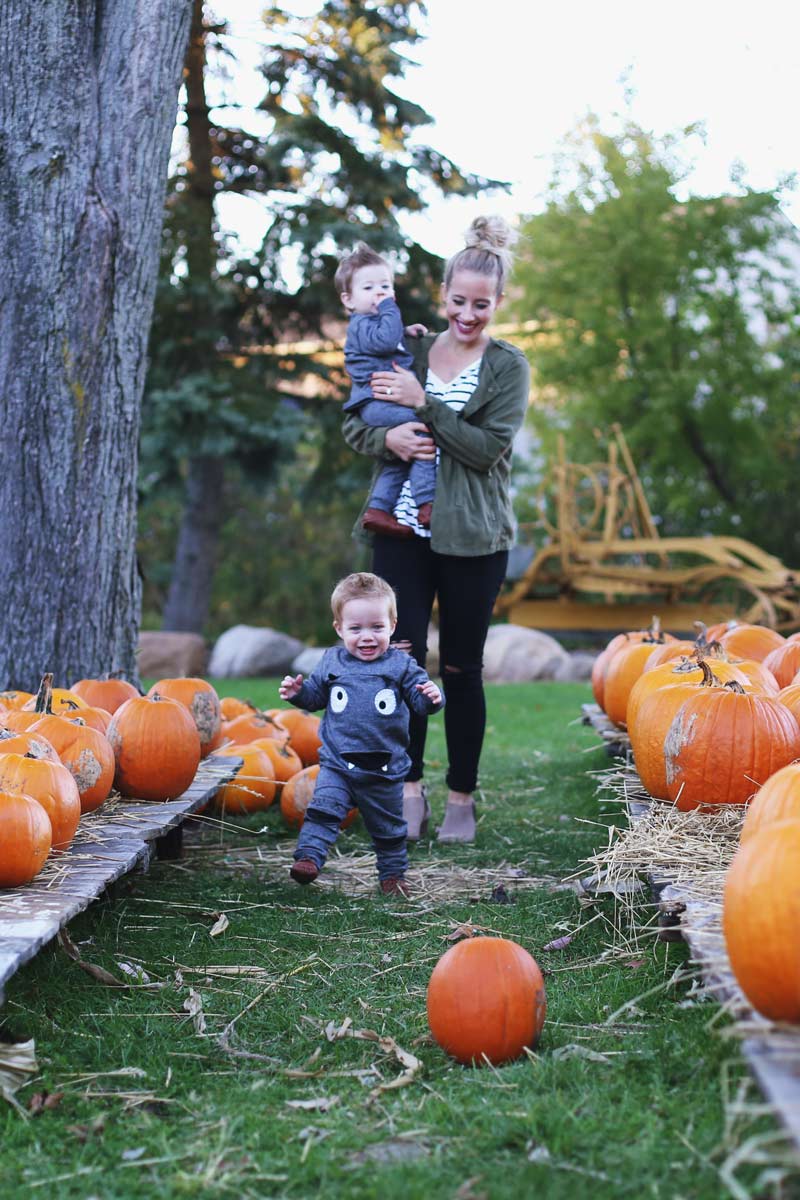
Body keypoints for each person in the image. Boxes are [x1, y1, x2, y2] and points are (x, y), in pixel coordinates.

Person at [341, 215, 530, 845]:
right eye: (457, 301)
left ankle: (461, 797)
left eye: (482, 304)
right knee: (401, 663)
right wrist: (384, 435)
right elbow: (357, 420)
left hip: (474, 538)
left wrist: (425, 405)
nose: (468, 315)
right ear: (443, 292)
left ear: (498, 302)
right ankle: (409, 790)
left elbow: (486, 449)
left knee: (460, 669)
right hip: (400, 533)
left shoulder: (508, 368)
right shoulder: (411, 347)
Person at [278, 571, 443, 898]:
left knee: (389, 830)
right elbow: (315, 697)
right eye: (356, 629)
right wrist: (298, 693)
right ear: (339, 628)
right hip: (338, 765)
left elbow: (419, 701)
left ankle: (392, 876)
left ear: (392, 626)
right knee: (323, 809)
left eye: (377, 627)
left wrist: (431, 697)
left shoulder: (402, 665)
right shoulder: (331, 661)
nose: (367, 637)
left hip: (384, 770)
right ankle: (309, 858)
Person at [335, 243, 433, 539]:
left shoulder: (371, 323)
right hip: (376, 403)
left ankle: (378, 510)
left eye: (385, 286)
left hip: (379, 401)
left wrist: (406, 331)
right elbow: (383, 343)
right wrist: (391, 310)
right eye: (369, 287)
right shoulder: (360, 324)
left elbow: (388, 338)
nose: (379, 292)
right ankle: (427, 501)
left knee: (400, 453)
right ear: (348, 300)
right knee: (422, 429)